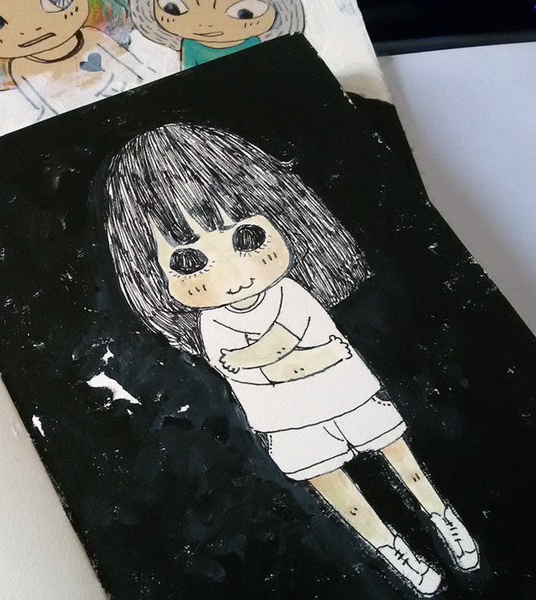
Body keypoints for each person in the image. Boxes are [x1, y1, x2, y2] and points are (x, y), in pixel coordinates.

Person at [103, 123, 480, 597]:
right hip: (288, 425)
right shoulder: (211, 325)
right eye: (190, 261)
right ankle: (395, 552)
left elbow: (287, 354)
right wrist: (282, 358)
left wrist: (272, 359)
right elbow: (272, 357)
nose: (235, 276)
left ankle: (441, 517)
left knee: (402, 461)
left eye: (246, 238)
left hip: (349, 396)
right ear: (149, 271)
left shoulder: (293, 293)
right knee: (340, 495)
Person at [0, 0, 157, 121]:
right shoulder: (19, 68)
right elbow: (40, 112)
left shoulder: (93, 37)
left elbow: (136, 75)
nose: (31, 28)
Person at [129, 0, 304, 69]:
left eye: (244, 13)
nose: (205, 24)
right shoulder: (189, 46)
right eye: (173, 8)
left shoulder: (254, 43)